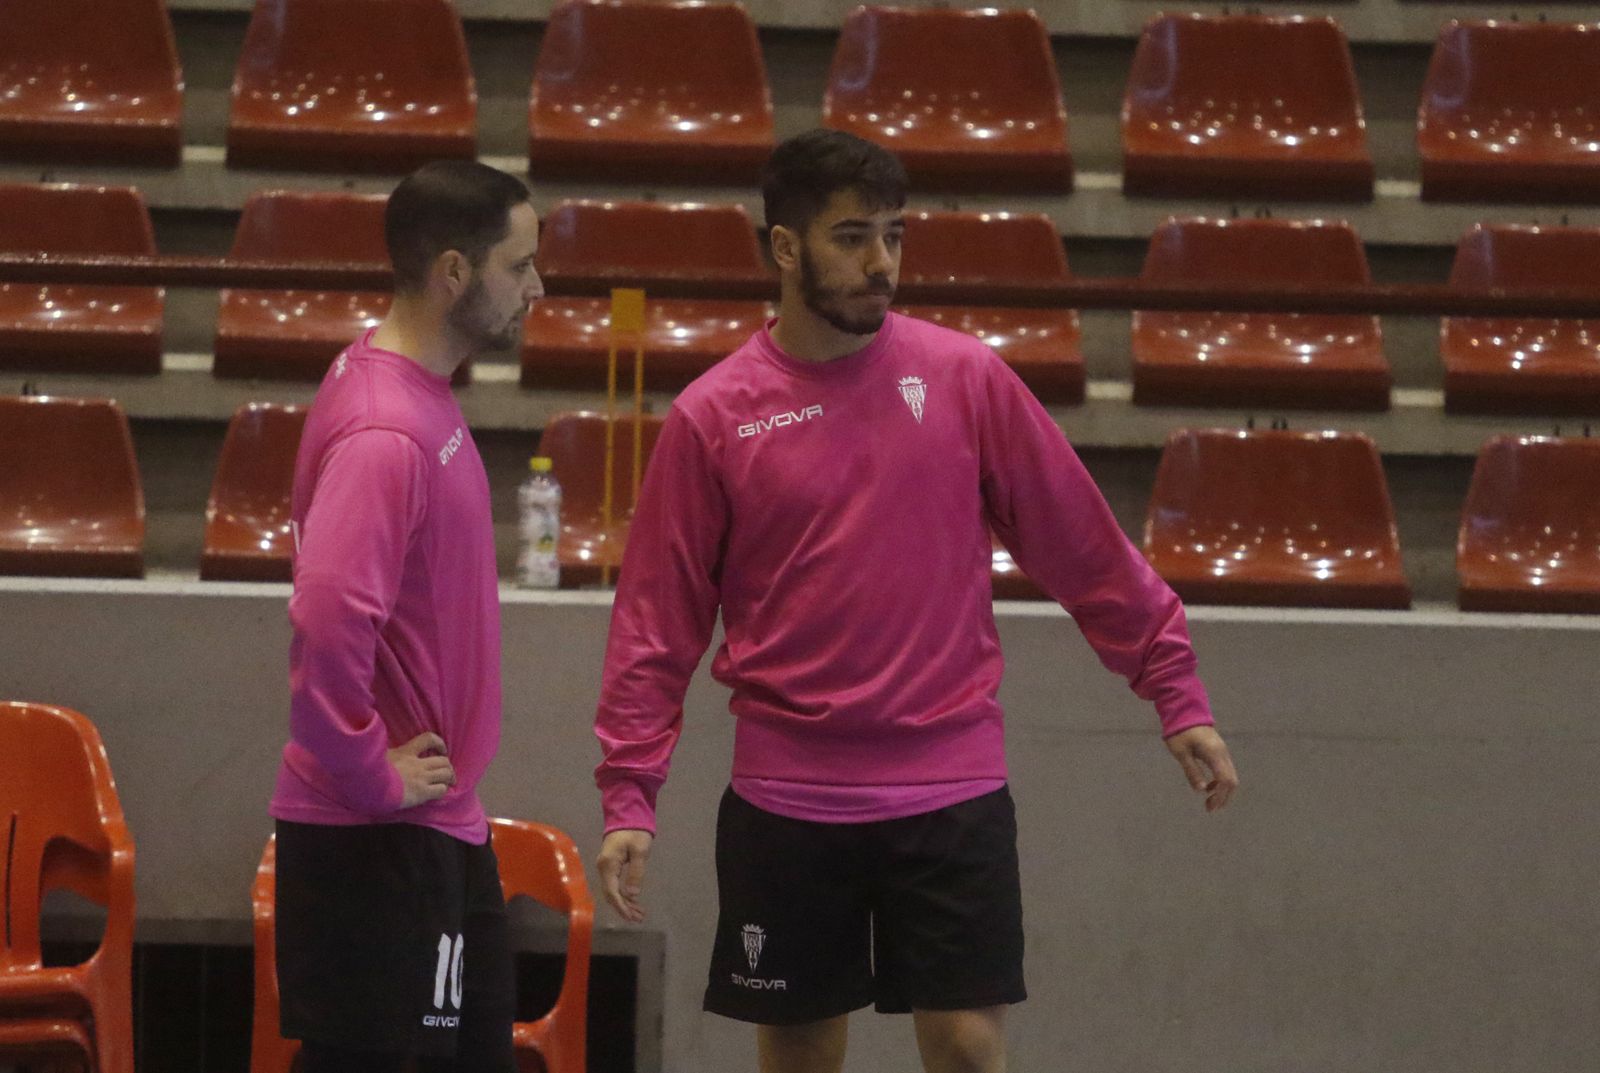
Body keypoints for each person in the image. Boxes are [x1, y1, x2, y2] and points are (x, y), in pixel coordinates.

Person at [592, 129, 1239, 1073]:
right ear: (784, 248)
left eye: (893, 234)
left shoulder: (965, 378)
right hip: (787, 800)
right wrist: (628, 794)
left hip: (952, 788)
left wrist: (1171, 686)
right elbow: (657, 624)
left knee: (971, 1050)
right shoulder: (712, 415)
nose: (882, 261)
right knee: (803, 1056)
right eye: (852, 237)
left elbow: (1082, 545)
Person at [268, 160, 544, 1073]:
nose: (537, 288)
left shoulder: (410, 391)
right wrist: (369, 772)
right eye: (520, 265)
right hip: (378, 843)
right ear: (456, 274)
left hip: (435, 830)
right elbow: (327, 617)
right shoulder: (389, 431)